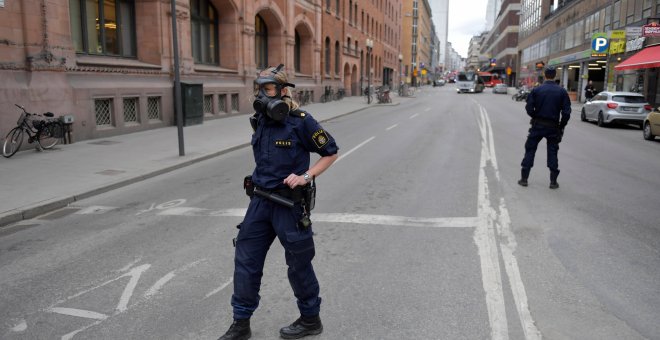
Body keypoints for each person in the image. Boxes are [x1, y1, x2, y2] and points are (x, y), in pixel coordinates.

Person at [218, 65, 339, 340]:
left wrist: (306, 176)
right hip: (260, 202)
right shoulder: (260, 119)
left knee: (299, 264)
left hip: (289, 205)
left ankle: (310, 319)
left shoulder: (301, 121)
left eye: (268, 88)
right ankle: (241, 323)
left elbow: (330, 152)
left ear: (283, 91)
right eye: (259, 88)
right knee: (246, 261)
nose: (262, 94)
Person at [518, 66, 571, 189]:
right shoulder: (562, 91)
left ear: (545, 75)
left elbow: (529, 108)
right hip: (553, 127)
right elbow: (567, 113)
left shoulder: (537, 90)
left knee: (530, 149)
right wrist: (561, 126)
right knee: (552, 152)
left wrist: (535, 116)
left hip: (538, 125)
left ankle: (524, 179)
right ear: (555, 75)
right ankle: (553, 182)